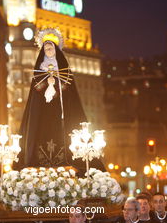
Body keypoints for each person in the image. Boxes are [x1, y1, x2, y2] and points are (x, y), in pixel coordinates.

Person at [17, 28, 105, 173]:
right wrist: (46, 82)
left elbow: (68, 88)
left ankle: (68, 158)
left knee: (62, 130)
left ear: (56, 49)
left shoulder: (63, 67)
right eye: (46, 48)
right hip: (43, 110)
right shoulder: (40, 67)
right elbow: (36, 89)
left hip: (61, 108)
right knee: (41, 130)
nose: (49, 50)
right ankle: (38, 159)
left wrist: (56, 83)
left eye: (51, 47)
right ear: (43, 50)